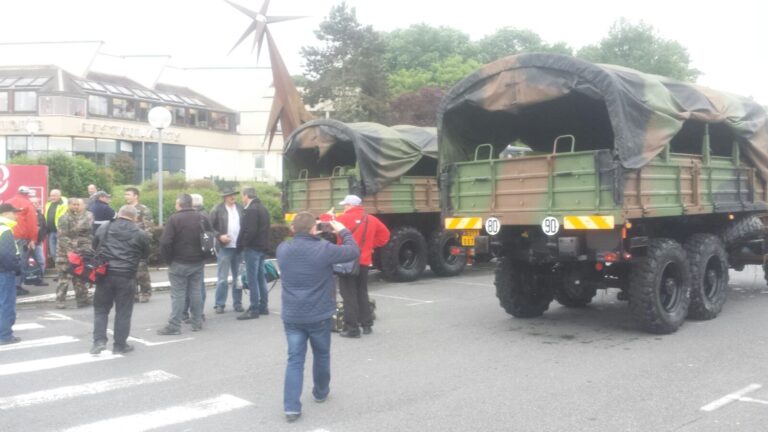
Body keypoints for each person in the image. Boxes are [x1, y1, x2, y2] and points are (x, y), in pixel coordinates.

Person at [277, 212, 359, 422]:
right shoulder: (324, 249)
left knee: (294, 360)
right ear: (314, 229)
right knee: (321, 354)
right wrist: (342, 230)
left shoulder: (282, 249)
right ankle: (320, 392)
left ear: (293, 229)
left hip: (292, 314)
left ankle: (291, 407)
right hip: (319, 313)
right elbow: (352, 251)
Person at [90, 205, 150, 355]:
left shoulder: (105, 227)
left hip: (105, 274)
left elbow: (95, 246)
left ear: (119, 214)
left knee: (101, 310)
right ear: (135, 217)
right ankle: (120, 345)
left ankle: (99, 342)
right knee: (123, 312)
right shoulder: (140, 233)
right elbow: (145, 254)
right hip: (126, 276)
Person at [335, 195, 390, 338]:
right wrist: (371, 245)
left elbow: (329, 229)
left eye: (345, 205)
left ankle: (352, 328)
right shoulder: (371, 219)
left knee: (348, 295)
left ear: (350, 205)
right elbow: (385, 236)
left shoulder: (341, 219)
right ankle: (366, 325)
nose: (344, 207)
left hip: (347, 262)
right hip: (364, 261)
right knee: (362, 292)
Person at [157, 194, 210, 335]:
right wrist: (204, 257)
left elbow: (165, 242)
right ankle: (197, 322)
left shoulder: (174, 219)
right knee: (196, 291)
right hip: (198, 261)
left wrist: (168, 260)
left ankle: (174, 326)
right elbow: (210, 237)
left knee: (178, 294)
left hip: (179, 262)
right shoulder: (202, 217)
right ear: (191, 204)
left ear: (179, 204)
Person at [236, 187, 271, 320]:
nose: (242, 199)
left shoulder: (251, 210)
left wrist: (242, 245)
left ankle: (254, 308)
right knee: (261, 278)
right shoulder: (263, 208)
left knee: (252, 280)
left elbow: (249, 231)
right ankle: (263, 306)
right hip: (262, 248)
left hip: (252, 248)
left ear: (246, 196)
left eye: (242, 196)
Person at [55, 198, 94, 309]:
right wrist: (69, 251)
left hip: (78, 253)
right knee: (63, 279)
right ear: (68, 205)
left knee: (79, 277)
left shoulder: (79, 218)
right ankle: (60, 301)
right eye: (73, 204)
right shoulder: (64, 218)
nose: (76, 207)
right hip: (64, 254)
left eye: (77, 205)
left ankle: (82, 300)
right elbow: (62, 237)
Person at [210, 188, 244, 314]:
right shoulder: (217, 209)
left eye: (234, 195)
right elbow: (209, 227)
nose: (232, 197)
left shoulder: (241, 208)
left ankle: (238, 303)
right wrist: (219, 236)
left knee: (239, 278)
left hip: (239, 247)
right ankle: (219, 304)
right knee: (222, 278)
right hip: (224, 248)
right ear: (224, 197)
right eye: (229, 195)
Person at [6, 186, 38, 296]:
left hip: (6, 235)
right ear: (27, 194)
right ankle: (17, 287)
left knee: (7, 261)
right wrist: (33, 239)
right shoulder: (28, 204)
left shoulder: (8, 202)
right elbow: (32, 224)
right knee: (20, 261)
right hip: (20, 237)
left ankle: (8, 286)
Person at [182, 193, 209, 322]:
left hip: (188, 256)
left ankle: (188, 313)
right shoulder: (205, 215)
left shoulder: (194, 216)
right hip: (200, 255)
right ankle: (199, 313)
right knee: (199, 286)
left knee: (189, 286)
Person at [124, 187, 154, 303]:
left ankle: (145, 292)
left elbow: (149, 229)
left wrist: (144, 243)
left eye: (128, 194)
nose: (126, 196)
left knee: (141, 271)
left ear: (135, 196)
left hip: (138, 244)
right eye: (125, 194)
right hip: (126, 244)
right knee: (129, 271)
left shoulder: (143, 210)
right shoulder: (125, 209)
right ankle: (133, 294)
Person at [0, 203, 22, 345]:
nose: (16, 215)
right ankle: (5, 335)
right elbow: (7, 255)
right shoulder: (5, 229)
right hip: (4, 272)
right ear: (6, 213)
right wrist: (17, 268)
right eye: (14, 212)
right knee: (6, 304)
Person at [27, 196, 49, 286]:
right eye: (33, 203)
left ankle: (39, 279)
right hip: (26, 243)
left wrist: (41, 238)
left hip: (37, 243)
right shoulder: (25, 214)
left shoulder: (40, 214)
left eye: (37, 203)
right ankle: (18, 285)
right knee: (22, 262)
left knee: (41, 261)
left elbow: (44, 228)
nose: (36, 205)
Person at [44, 189, 67, 263]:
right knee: (53, 253)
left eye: (54, 196)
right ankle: (58, 268)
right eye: (51, 196)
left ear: (59, 196)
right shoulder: (48, 204)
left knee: (62, 252)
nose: (52, 197)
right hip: (51, 231)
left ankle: (64, 269)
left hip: (61, 232)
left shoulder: (64, 204)